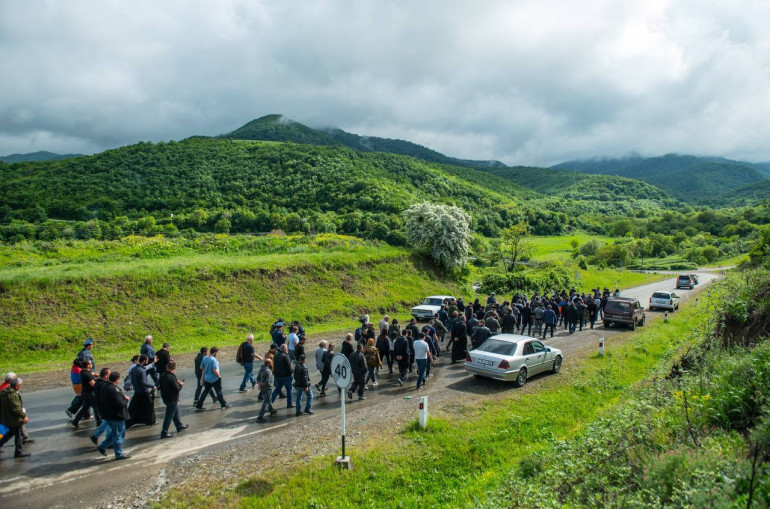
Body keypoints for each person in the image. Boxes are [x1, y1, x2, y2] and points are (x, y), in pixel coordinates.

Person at [97, 372, 130, 460]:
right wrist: (126, 400)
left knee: (113, 433)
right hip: (116, 416)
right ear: (117, 380)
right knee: (118, 435)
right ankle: (118, 453)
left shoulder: (104, 387)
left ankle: (102, 446)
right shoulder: (114, 389)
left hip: (107, 414)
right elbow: (119, 404)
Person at [0, 377, 30, 458]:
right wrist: (24, 416)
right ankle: (18, 451)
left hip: (7, 417)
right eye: (20, 385)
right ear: (16, 386)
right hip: (14, 418)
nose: (20, 386)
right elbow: (16, 408)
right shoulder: (13, 395)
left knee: (11, 432)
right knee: (18, 435)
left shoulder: (4, 392)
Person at [158, 360, 188, 439]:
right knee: (169, 415)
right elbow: (176, 389)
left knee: (175, 412)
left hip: (165, 396)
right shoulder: (171, 376)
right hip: (172, 398)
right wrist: (180, 384)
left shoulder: (162, 375)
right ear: (174, 368)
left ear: (166, 367)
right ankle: (164, 432)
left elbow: (161, 385)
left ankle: (179, 425)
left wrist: (176, 382)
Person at [126, 355, 156, 427]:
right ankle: (150, 421)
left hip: (137, 391)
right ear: (145, 361)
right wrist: (153, 386)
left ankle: (129, 422)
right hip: (144, 392)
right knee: (149, 407)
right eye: (147, 360)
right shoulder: (142, 370)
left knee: (134, 408)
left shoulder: (134, 369)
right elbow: (144, 382)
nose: (147, 362)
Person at [70, 360, 99, 428]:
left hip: (85, 393)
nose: (91, 364)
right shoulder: (86, 374)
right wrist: (100, 382)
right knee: (96, 407)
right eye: (90, 363)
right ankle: (99, 422)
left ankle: (75, 421)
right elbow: (93, 384)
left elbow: (93, 375)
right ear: (88, 365)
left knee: (85, 408)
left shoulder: (84, 372)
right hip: (90, 393)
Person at [89, 368, 112, 446]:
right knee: (110, 423)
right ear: (106, 376)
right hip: (105, 406)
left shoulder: (98, 382)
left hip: (102, 406)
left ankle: (95, 436)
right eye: (109, 374)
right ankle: (109, 442)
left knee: (106, 422)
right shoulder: (104, 385)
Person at [271, 344, 294, 409]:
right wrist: (293, 370)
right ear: (284, 349)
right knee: (289, 390)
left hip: (278, 376)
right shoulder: (285, 356)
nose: (287, 350)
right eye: (286, 349)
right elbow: (289, 368)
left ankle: (269, 403)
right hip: (286, 376)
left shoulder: (275, 356)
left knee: (276, 390)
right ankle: (289, 404)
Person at [255, 359, 278, 423]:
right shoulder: (268, 371)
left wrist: (260, 384)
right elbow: (267, 381)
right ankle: (260, 417)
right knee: (265, 402)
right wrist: (262, 384)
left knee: (269, 400)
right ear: (269, 364)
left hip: (263, 388)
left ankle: (271, 410)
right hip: (268, 388)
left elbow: (257, 378)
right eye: (271, 363)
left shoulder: (260, 369)